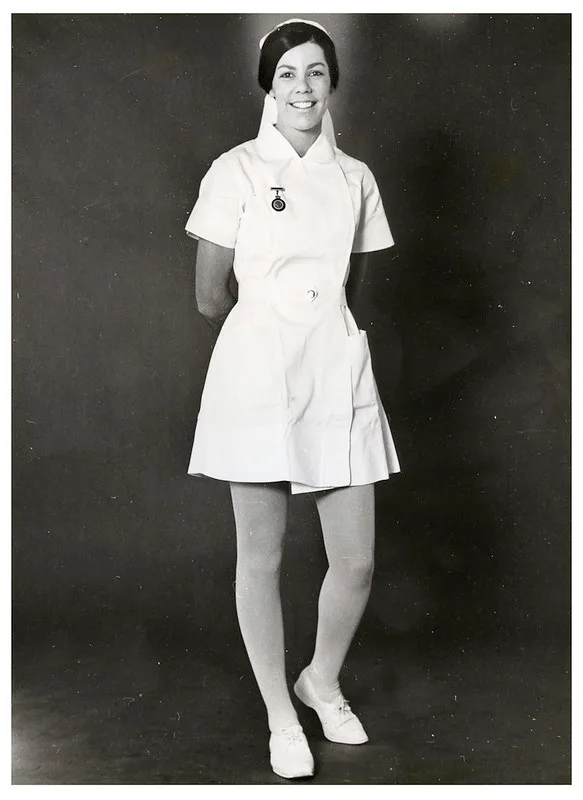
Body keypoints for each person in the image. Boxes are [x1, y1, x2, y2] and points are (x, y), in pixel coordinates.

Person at [184, 18, 400, 780]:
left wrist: (316, 334)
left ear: (331, 82)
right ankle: (282, 714)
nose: (302, 88)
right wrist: (270, 333)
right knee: (262, 556)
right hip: (256, 377)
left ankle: (320, 679)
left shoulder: (356, 178)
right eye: (286, 75)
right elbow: (212, 296)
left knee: (357, 561)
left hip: (333, 369)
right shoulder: (234, 170)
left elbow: (351, 288)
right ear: (266, 88)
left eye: (314, 73)